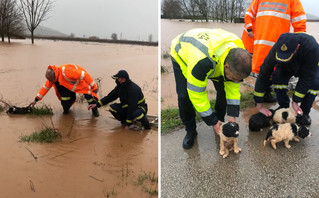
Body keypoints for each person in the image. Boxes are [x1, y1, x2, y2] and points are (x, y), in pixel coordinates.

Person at [170, 28, 252, 149]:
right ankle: (191, 130)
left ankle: (220, 121)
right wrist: (211, 120)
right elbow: (197, 94)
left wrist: (232, 115)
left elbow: (233, 88)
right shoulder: (202, 62)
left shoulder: (238, 54)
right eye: (235, 78)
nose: (236, 82)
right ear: (227, 66)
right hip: (183, 54)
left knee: (223, 91)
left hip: (216, 58)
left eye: (239, 79)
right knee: (184, 96)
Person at [242, 0, 307, 102]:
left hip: (262, 40)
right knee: (276, 68)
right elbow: (299, 19)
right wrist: (300, 37)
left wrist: (249, 29)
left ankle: (262, 94)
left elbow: (249, 14)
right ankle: (266, 93)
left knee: (263, 68)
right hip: (279, 42)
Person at [254, 32, 319, 125]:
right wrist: (259, 104)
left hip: (309, 65)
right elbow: (263, 74)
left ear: (297, 47)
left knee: (315, 82)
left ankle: (304, 112)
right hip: (288, 65)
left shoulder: (311, 47)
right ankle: (283, 106)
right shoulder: (276, 49)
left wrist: (296, 101)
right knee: (278, 75)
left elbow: (307, 76)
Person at [30, 64, 100, 116]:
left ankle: (94, 110)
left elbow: (84, 75)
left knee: (89, 97)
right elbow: (45, 89)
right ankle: (66, 110)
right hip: (66, 85)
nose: (50, 82)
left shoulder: (67, 72)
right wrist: (36, 100)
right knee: (64, 101)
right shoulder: (51, 78)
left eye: (51, 80)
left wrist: (94, 86)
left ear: (55, 76)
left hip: (80, 82)